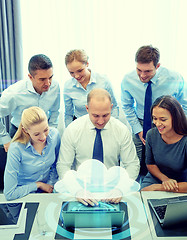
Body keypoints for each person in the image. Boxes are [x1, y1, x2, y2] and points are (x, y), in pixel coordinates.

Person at [56, 88, 140, 205]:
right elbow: (63, 166)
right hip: (80, 190)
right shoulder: (73, 130)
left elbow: (132, 164)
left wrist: (120, 188)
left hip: (112, 192)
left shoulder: (121, 130)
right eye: (95, 115)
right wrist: (76, 190)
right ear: (87, 109)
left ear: (111, 108)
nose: (101, 121)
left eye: (105, 115)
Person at [121, 45, 187, 174]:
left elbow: (184, 105)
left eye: (147, 71)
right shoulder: (128, 80)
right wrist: (138, 129)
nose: (142, 75)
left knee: (164, 161)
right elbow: (127, 106)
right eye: (139, 70)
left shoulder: (174, 78)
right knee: (137, 162)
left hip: (168, 123)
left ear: (157, 66)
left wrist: (177, 127)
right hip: (140, 122)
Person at [0, 54, 60, 152]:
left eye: (50, 77)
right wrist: (5, 139)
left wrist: (50, 133)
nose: (48, 83)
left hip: (43, 133)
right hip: (20, 134)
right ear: (30, 77)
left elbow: (55, 111)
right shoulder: (14, 92)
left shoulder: (55, 86)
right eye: (42, 79)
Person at [4, 106, 61, 201]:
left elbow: (56, 165)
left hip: (47, 192)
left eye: (46, 130)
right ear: (25, 130)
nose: (43, 137)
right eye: (36, 134)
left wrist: (50, 185)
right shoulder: (16, 148)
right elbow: (9, 194)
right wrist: (38, 185)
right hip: (23, 194)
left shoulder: (54, 135)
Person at [141, 95, 187, 192]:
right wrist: (165, 179)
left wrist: (159, 187)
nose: (157, 123)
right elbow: (150, 164)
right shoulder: (151, 134)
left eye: (163, 119)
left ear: (175, 118)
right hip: (156, 178)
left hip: (182, 184)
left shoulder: (185, 140)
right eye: (155, 118)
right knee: (141, 198)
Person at [64, 49, 119, 127]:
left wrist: (112, 127)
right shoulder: (68, 86)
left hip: (103, 124)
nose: (76, 76)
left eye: (80, 70)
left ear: (87, 64)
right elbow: (68, 114)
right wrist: (69, 132)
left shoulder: (103, 81)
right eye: (71, 72)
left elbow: (114, 108)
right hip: (80, 126)